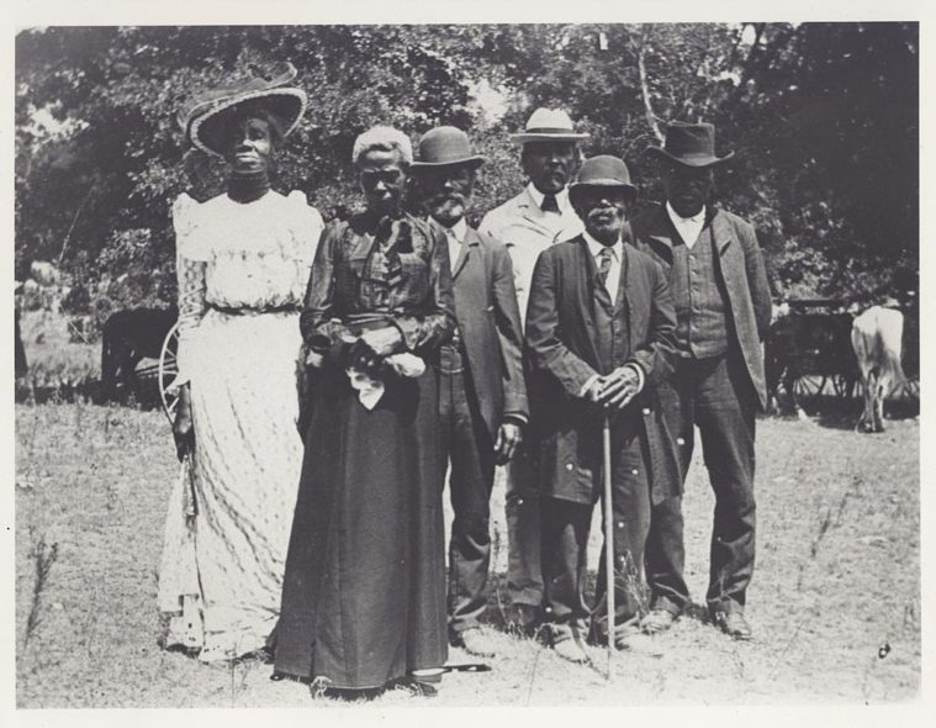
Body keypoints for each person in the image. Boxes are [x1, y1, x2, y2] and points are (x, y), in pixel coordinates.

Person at [274, 126, 456, 696]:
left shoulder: (430, 237)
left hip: (407, 400)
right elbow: (314, 316)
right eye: (371, 174)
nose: (382, 184)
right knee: (345, 516)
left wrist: (399, 335)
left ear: (407, 177)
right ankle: (335, 657)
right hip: (345, 398)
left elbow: (445, 317)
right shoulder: (336, 236)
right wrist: (359, 347)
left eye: (392, 174)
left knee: (403, 516)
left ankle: (405, 658)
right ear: (359, 178)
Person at [158, 63, 324, 661]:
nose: (246, 147)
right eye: (237, 138)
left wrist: (312, 372)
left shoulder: (300, 219)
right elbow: (192, 312)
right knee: (225, 485)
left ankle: (283, 613)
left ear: (276, 145)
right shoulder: (201, 219)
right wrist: (187, 390)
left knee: (278, 481)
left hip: (280, 359)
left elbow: (315, 309)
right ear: (223, 153)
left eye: (258, 134)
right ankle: (229, 617)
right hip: (222, 360)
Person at [525, 155, 678, 662]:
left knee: (629, 518)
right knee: (568, 516)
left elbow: (667, 339)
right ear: (579, 205)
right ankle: (561, 620)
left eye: (614, 197)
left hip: (631, 417)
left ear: (629, 206)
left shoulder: (650, 268)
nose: (604, 205)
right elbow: (541, 341)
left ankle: (620, 619)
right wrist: (587, 382)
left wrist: (635, 373)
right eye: (592, 197)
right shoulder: (556, 261)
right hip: (571, 417)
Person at [631, 122, 772, 640]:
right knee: (663, 489)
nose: (691, 183)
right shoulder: (638, 230)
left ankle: (729, 598)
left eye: (702, 175)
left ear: (713, 179)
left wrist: (733, 355)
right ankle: (666, 593)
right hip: (664, 378)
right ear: (665, 173)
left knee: (735, 487)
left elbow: (761, 308)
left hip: (725, 375)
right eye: (681, 172)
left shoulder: (740, 233)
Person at [410, 126, 528, 657]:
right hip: (418, 396)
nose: (449, 189)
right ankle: (419, 612)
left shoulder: (493, 251)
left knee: (474, 511)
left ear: (473, 183)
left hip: (478, 397)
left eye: (458, 178)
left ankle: (468, 615)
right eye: (437, 180)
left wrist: (513, 411)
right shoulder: (406, 242)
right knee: (418, 505)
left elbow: (509, 334)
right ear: (422, 186)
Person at [477, 107, 588, 631]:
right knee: (522, 486)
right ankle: (524, 594)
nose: (555, 161)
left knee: (571, 487)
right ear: (525, 156)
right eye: (544, 150)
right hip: (520, 374)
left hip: (575, 376)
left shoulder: (589, 217)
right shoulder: (498, 223)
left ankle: (569, 592)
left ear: (576, 157)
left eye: (564, 151)